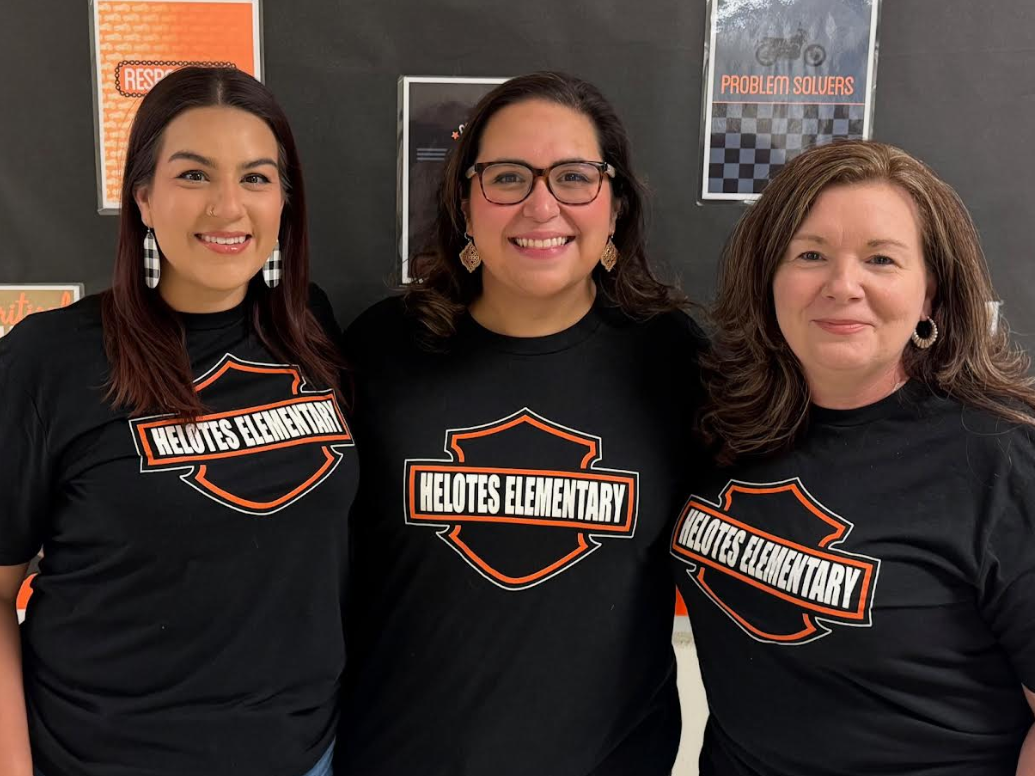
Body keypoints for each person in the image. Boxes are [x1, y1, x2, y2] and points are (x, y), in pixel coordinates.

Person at [336, 72, 703, 775]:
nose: (541, 205)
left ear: (615, 205)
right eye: (507, 177)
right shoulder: (384, 348)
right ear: (464, 202)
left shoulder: (673, 360)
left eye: (573, 176)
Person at [0, 67, 355, 776]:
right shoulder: (51, 358)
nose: (229, 208)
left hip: (304, 756)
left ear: (286, 200)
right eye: (194, 175)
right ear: (142, 197)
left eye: (256, 178)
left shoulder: (309, 327)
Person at [671, 139, 1035, 775]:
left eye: (882, 259)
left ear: (931, 296)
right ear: (769, 279)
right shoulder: (725, 423)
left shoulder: (1002, 460)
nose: (843, 285)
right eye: (810, 254)